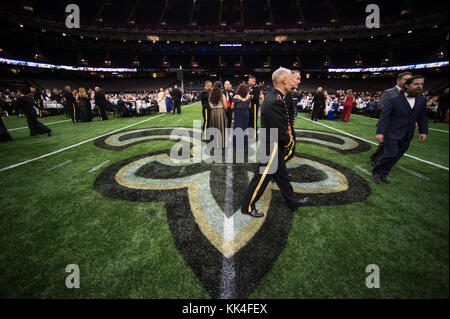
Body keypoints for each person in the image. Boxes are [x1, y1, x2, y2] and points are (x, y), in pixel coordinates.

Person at [241, 67, 310, 218]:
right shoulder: (275, 100)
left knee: (282, 176)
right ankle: (247, 206)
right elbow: (278, 130)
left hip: (273, 145)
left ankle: (292, 202)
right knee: (261, 178)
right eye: (290, 78)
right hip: (271, 146)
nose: (293, 81)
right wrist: (289, 142)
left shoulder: (275, 97)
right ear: (284, 80)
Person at [372, 75, 428, 185]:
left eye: (421, 84)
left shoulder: (421, 100)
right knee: (390, 154)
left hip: (408, 133)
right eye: (416, 84)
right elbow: (384, 116)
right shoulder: (395, 100)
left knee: (397, 155)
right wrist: (380, 131)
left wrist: (423, 131)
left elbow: (422, 117)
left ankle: (384, 174)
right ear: (407, 85)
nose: (419, 86)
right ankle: (376, 172)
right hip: (392, 131)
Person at [371, 72, 412, 167]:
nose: (408, 82)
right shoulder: (389, 92)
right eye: (406, 79)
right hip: (389, 122)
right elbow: (380, 106)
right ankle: (376, 160)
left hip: (403, 124)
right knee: (385, 143)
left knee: (397, 144)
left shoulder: (409, 94)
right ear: (399, 80)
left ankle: (382, 159)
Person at [284, 70, 301, 164]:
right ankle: (277, 173)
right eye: (297, 78)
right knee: (288, 152)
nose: (299, 81)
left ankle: (279, 173)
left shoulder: (288, 93)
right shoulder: (284, 94)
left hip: (288, 128)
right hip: (285, 130)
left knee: (288, 153)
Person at [208, 81, 228, 149]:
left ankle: (214, 144)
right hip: (220, 112)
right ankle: (222, 144)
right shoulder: (222, 95)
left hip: (213, 112)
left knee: (214, 128)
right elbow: (225, 106)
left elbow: (209, 105)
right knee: (221, 128)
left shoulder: (210, 95)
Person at [231, 83, 251, 148]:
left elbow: (232, 107)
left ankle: (236, 144)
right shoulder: (248, 96)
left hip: (238, 113)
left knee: (237, 128)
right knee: (245, 128)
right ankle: (244, 143)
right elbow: (249, 106)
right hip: (246, 113)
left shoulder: (236, 96)